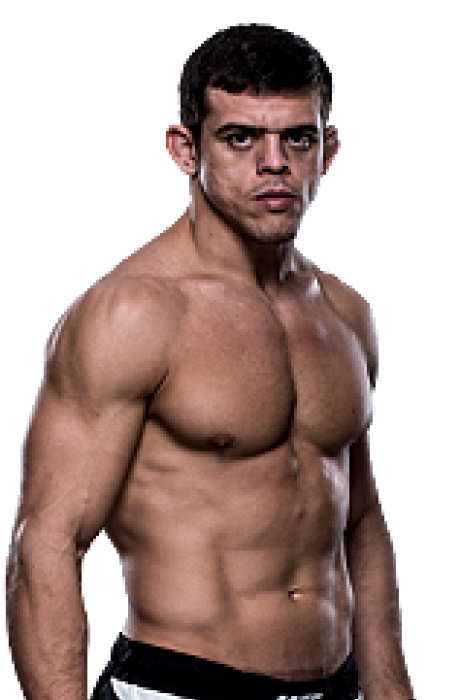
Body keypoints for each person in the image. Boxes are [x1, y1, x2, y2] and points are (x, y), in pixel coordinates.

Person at [5, 23, 415, 700]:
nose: (274, 163)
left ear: (331, 149)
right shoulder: (135, 313)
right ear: (184, 149)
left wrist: (391, 690)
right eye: (241, 138)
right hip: (182, 685)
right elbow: (47, 544)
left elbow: (361, 519)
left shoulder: (346, 313)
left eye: (298, 138)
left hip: (333, 684)